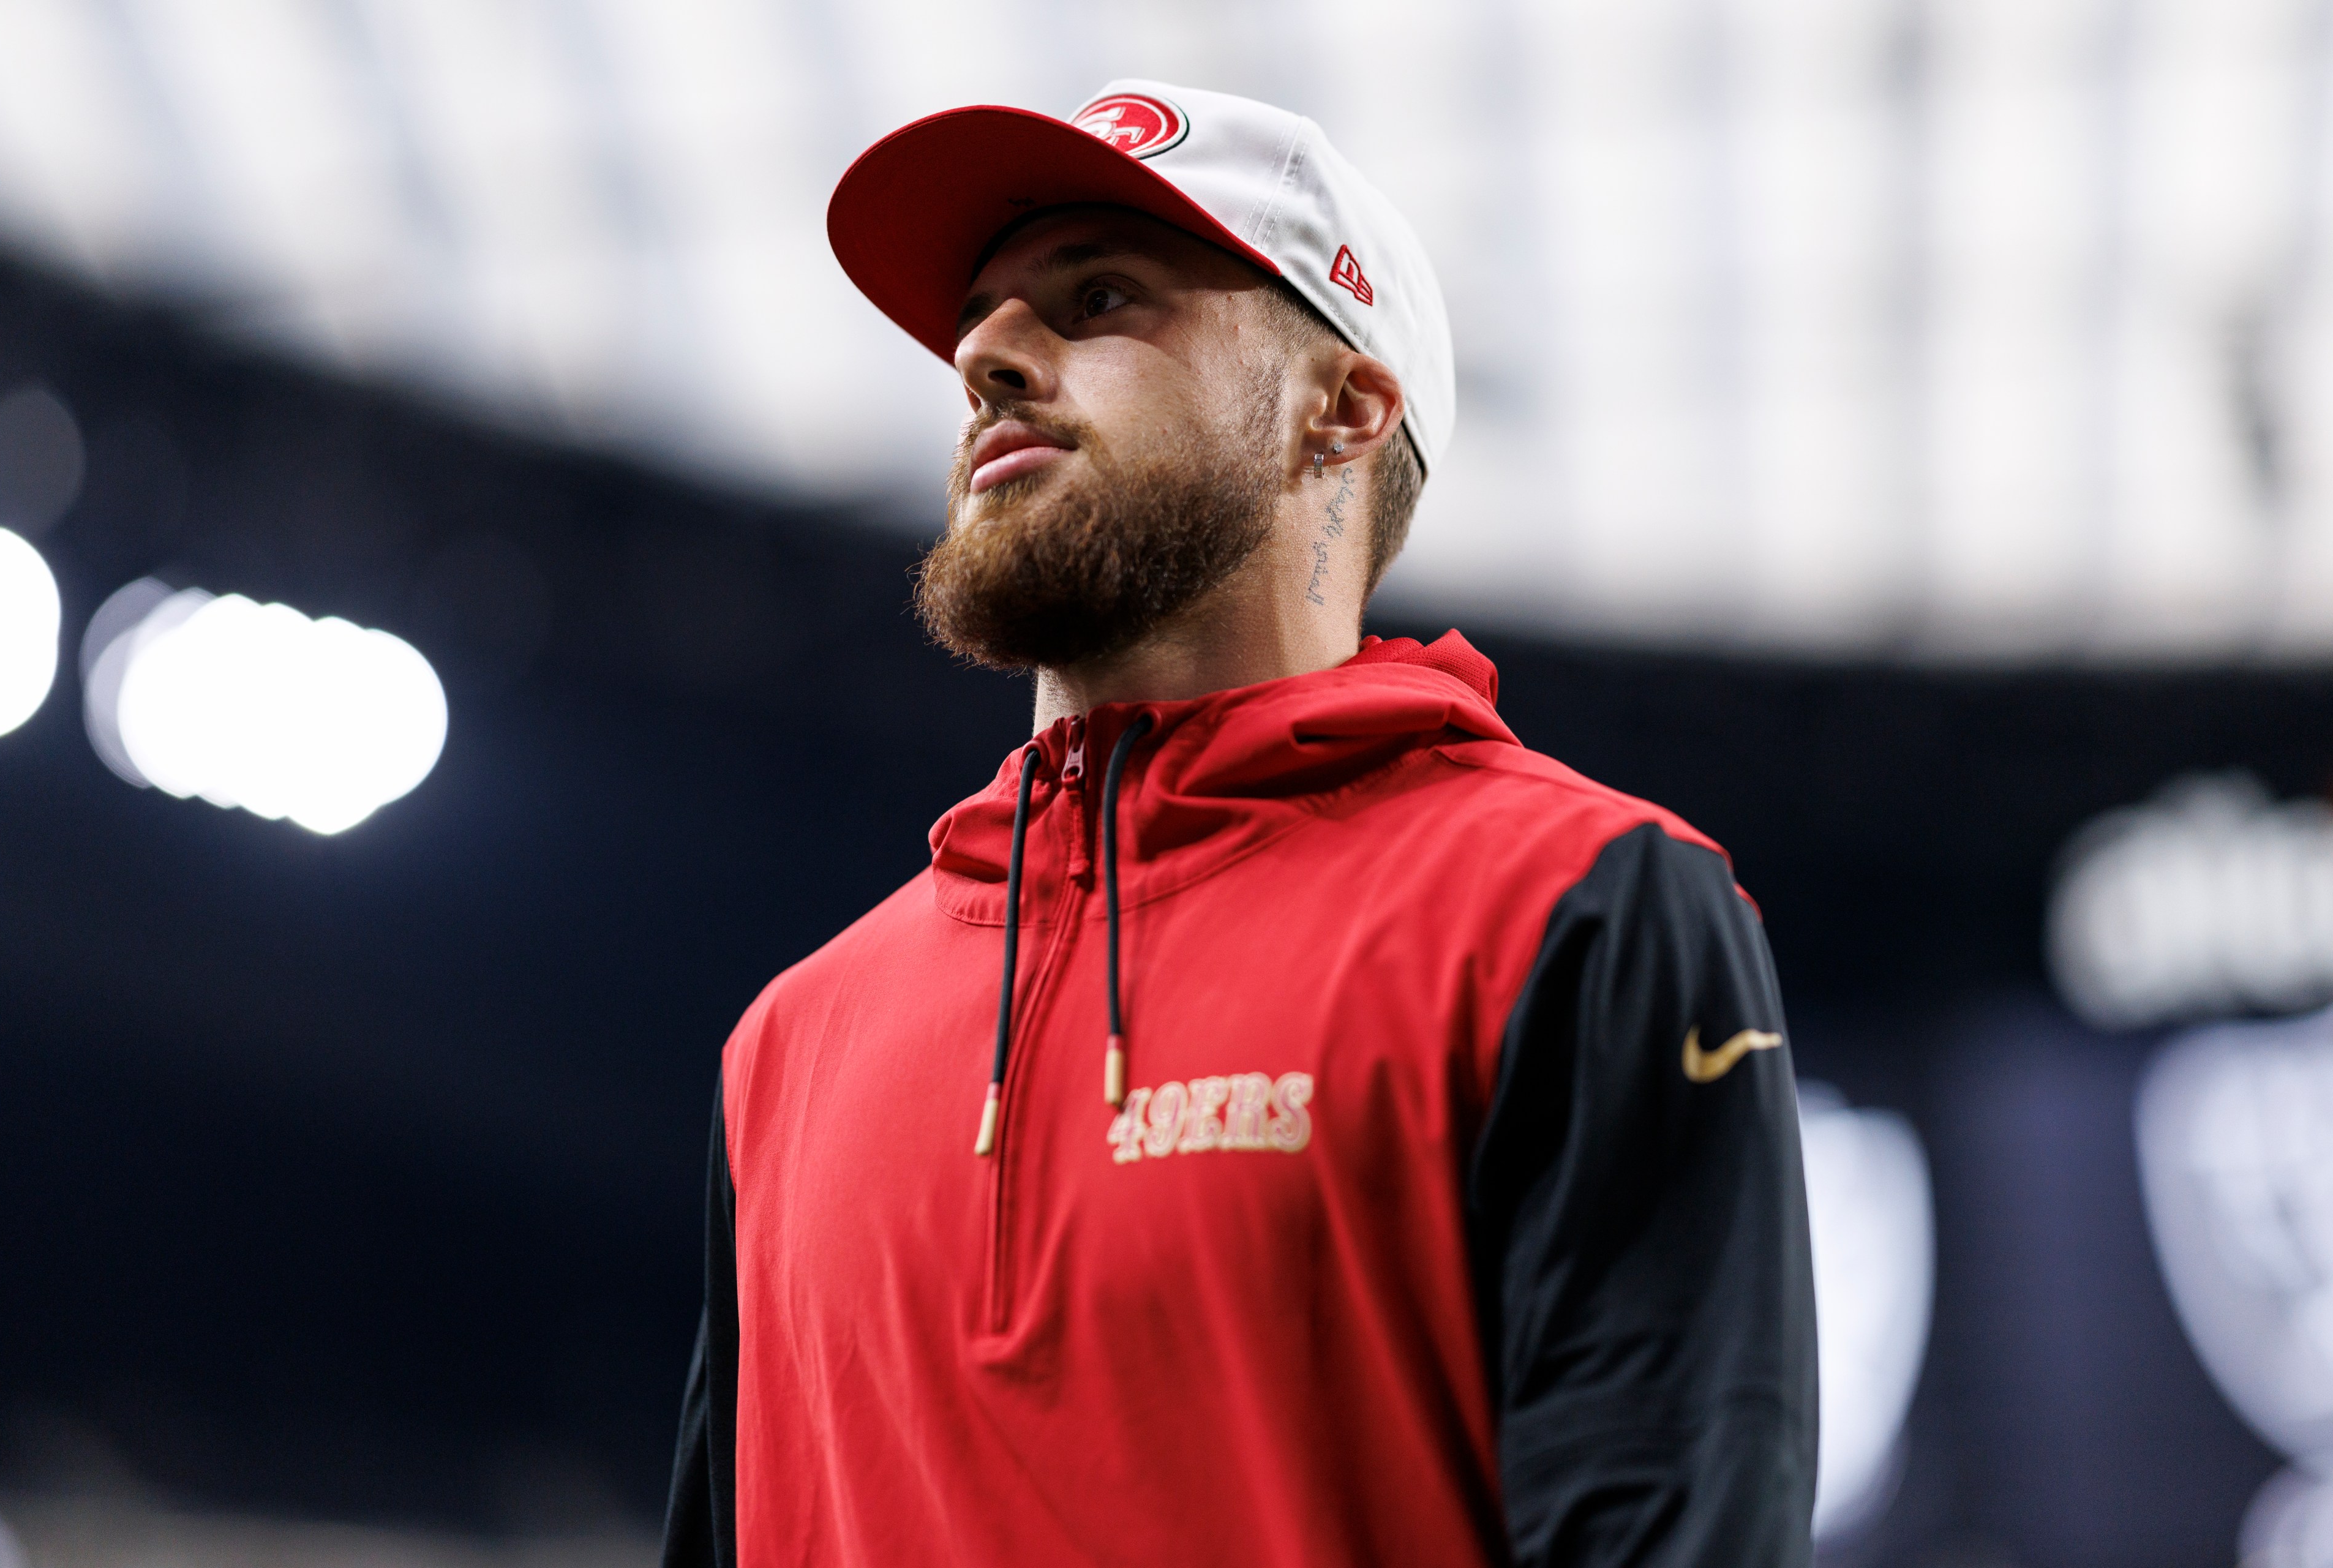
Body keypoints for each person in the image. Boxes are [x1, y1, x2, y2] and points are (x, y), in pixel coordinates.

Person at [663, 80, 1816, 1568]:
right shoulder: (788, 1048)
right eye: (983, 323)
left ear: (1343, 407)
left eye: (1097, 296)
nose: (986, 355)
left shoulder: (1572, 908)